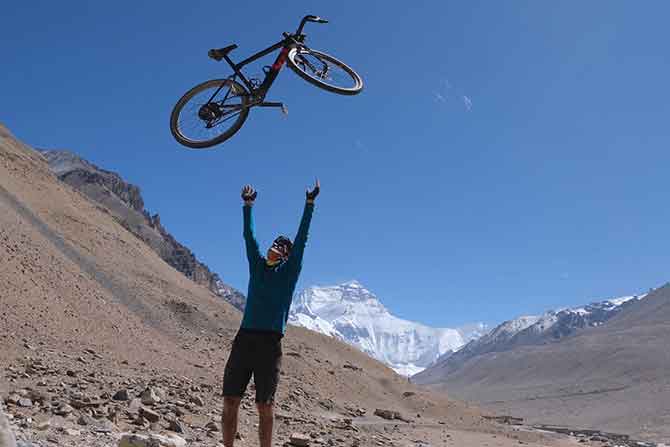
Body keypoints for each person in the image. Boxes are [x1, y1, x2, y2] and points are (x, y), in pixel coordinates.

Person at [221, 180, 320, 447]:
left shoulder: (288, 274)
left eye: (279, 247)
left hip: (270, 344)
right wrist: (248, 206)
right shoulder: (257, 266)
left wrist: (309, 205)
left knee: (265, 404)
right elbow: (249, 237)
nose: (272, 247)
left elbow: (301, 241)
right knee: (230, 399)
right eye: (273, 244)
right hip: (245, 339)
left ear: (286, 255)